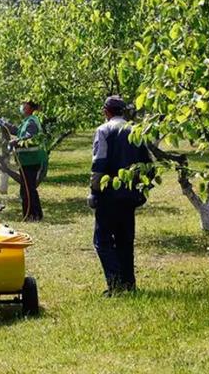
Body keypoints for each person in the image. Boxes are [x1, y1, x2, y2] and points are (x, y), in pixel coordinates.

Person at [87, 96, 152, 296]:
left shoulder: (104, 130)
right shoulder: (136, 131)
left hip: (109, 195)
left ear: (107, 111)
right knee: (125, 240)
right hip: (130, 195)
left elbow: (99, 163)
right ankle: (129, 284)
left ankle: (115, 285)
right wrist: (140, 190)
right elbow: (148, 165)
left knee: (102, 241)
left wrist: (93, 191)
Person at [0, 101, 48, 221]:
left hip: (32, 160)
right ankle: (31, 214)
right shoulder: (27, 121)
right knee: (26, 189)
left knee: (28, 190)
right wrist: (4, 124)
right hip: (26, 161)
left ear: (29, 108)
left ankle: (33, 215)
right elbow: (17, 130)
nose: (22, 107)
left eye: (24, 105)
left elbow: (29, 137)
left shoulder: (32, 121)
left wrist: (15, 142)